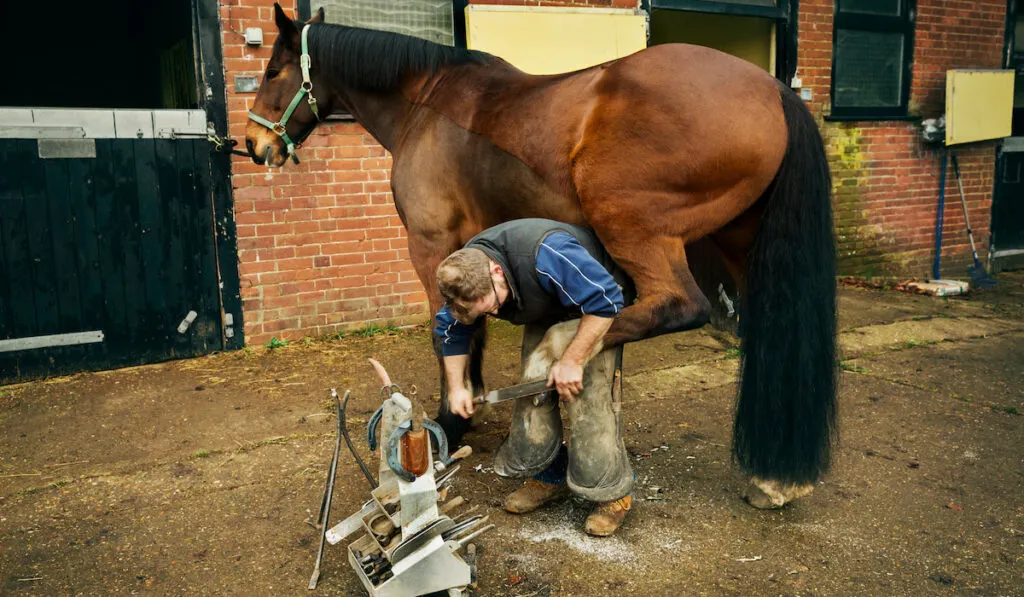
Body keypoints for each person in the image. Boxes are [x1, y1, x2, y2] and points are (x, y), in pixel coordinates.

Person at [433, 218, 634, 537]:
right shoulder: (464, 274)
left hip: (597, 306)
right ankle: (550, 476)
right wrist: (457, 387)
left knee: (584, 393)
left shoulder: (547, 253)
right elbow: (452, 330)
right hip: (548, 303)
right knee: (534, 383)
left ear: (496, 271)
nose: (494, 314)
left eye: (493, 306)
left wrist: (572, 360)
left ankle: (612, 494)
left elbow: (606, 300)